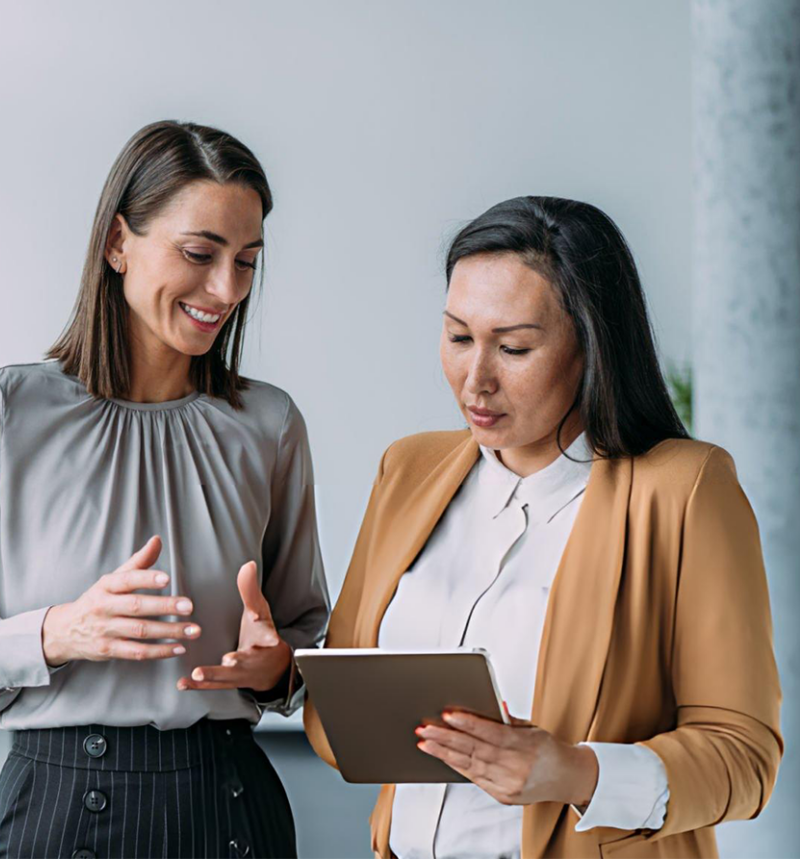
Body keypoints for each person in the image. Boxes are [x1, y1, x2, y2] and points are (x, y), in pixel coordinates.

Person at [0, 121, 329, 859]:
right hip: (60, 804)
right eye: (199, 253)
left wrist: (280, 667)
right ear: (118, 242)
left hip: (231, 803)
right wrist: (55, 632)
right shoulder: (6, 411)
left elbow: (308, 642)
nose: (225, 289)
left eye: (247, 261)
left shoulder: (269, 423)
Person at [304, 196, 781, 859]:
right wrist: (283, 672)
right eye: (458, 336)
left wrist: (575, 772)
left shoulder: (685, 490)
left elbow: (745, 757)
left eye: (515, 347)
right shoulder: (407, 470)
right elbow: (337, 727)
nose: (476, 379)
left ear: (591, 346)